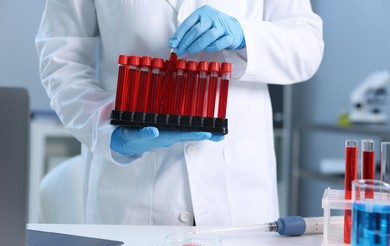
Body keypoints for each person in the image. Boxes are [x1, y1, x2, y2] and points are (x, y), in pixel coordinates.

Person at [35, 1, 324, 226]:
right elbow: (62, 59)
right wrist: (108, 130)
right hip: (132, 198)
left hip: (239, 193)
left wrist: (244, 34)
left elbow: (307, 45)